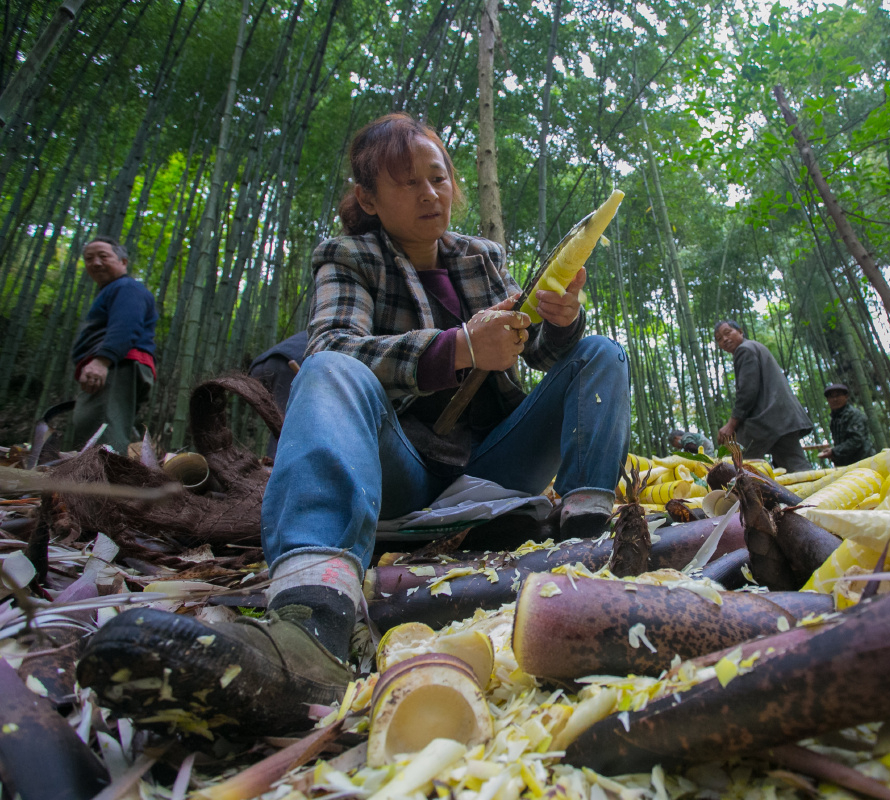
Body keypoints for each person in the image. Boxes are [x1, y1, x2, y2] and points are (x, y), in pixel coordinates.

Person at [79, 113, 631, 736]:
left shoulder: (482, 258)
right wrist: (456, 348)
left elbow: (545, 357)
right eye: (407, 183)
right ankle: (311, 621)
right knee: (329, 368)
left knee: (602, 354)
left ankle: (590, 547)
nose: (431, 194)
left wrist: (558, 320)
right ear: (369, 199)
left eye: (439, 177)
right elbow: (336, 345)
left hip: (495, 464)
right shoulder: (347, 256)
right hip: (401, 468)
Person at [69, 236, 158, 453]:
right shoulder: (115, 289)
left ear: (123, 262)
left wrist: (102, 360)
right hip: (118, 365)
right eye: (89, 258)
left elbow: (126, 324)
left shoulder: (127, 287)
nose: (96, 263)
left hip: (119, 364)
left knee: (101, 434)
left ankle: (100, 483)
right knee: (110, 428)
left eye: (103, 256)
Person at [714, 320, 815, 473]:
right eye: (719, 339)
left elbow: (747, 391)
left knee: (740, 461)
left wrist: (731, 424)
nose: (725, 339)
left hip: (770, 420)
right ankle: (814, 493)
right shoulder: (753, 347)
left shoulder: (744, 350)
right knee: (794, 467)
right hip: (781, 418)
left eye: (728, 333)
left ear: (740, 331)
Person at [248, 330, 308, 458]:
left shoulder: (320, 327)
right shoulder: (347, 334)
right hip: (287, 366)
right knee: (285, 425)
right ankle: (274, 467)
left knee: (280, 422)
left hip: (260, 366)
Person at [818, 383, 877, 466]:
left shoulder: (854, 415)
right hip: (848, 465)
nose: (835, 399)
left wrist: (834, 452)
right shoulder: (834, 420)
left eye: (838, 395)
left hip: (864, 462)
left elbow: (856, 440)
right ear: (828, 400)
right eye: (831, 397)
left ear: (846, 397)